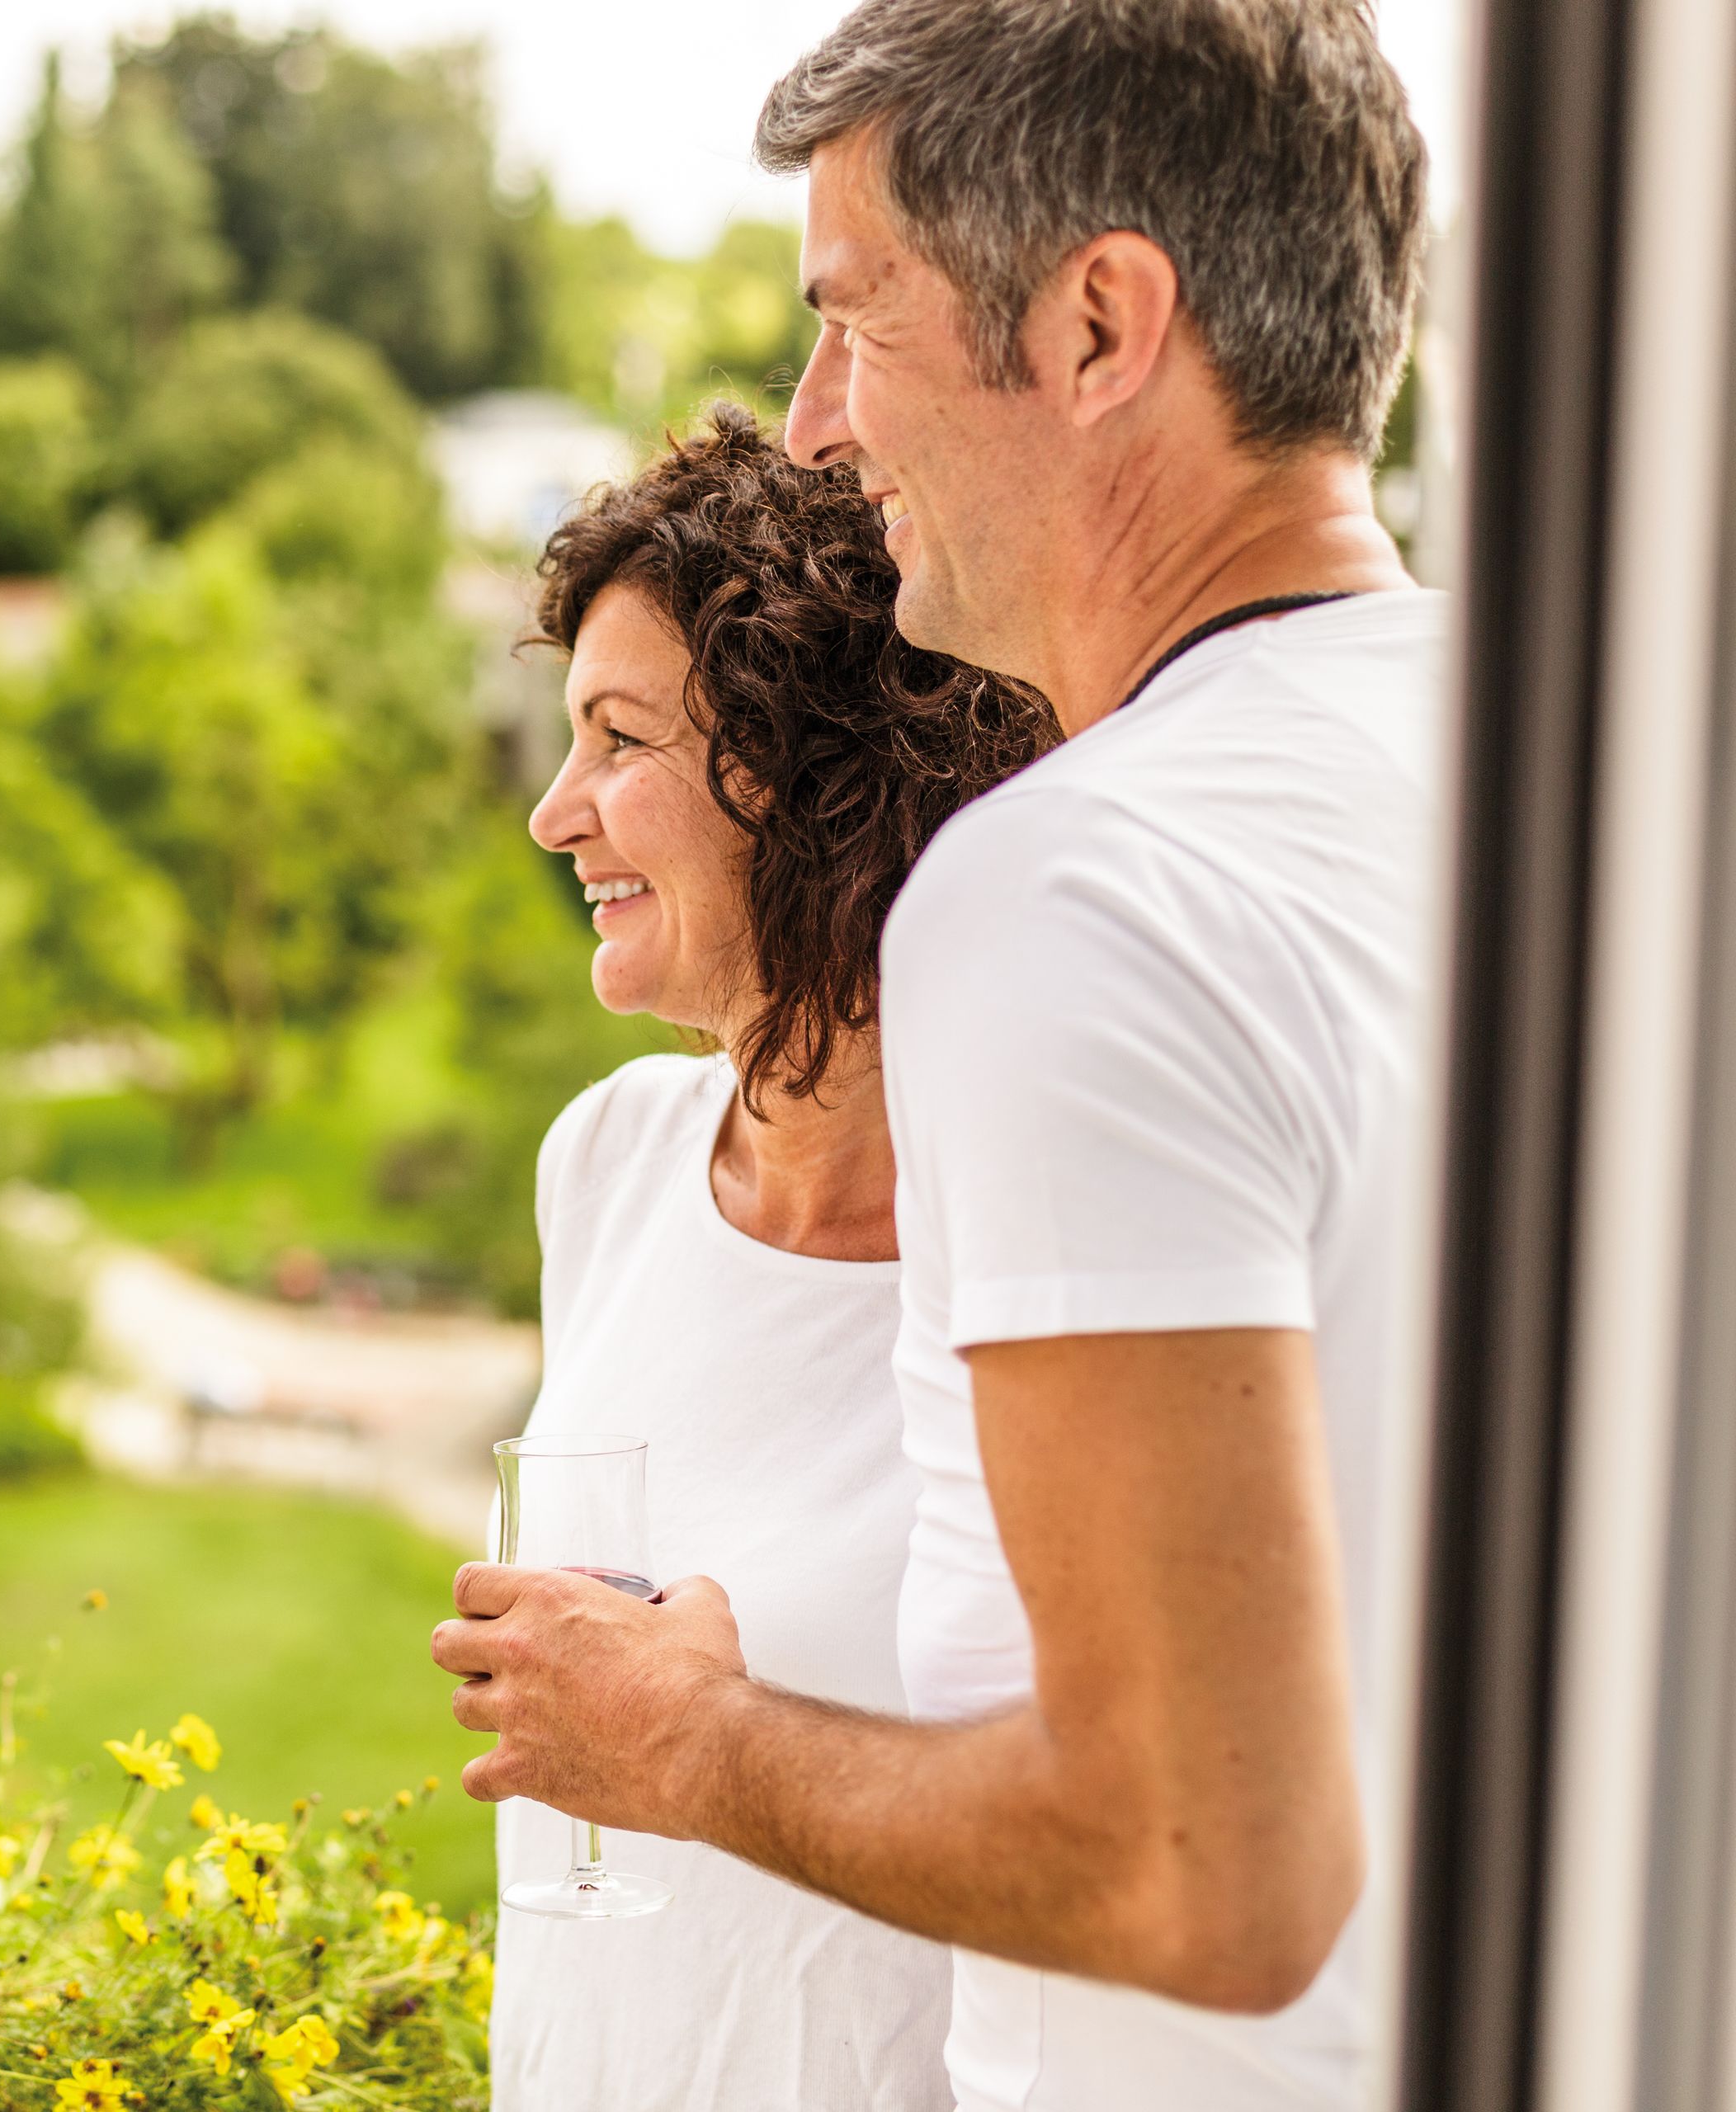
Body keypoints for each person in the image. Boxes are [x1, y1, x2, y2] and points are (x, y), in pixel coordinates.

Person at [432, 3, 1444, 2108]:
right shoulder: (1558, 769)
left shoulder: (1083, 886)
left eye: (857, 319)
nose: (817, 423)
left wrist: (683, 1739)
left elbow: (1211, 1873)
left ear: (1097, 323)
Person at [494, 404, 1052, 2110]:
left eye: (620, 740)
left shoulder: (1047, 1253)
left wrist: (715, 1739)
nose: (552, 812)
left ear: (812, 781)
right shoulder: (608, 1165)